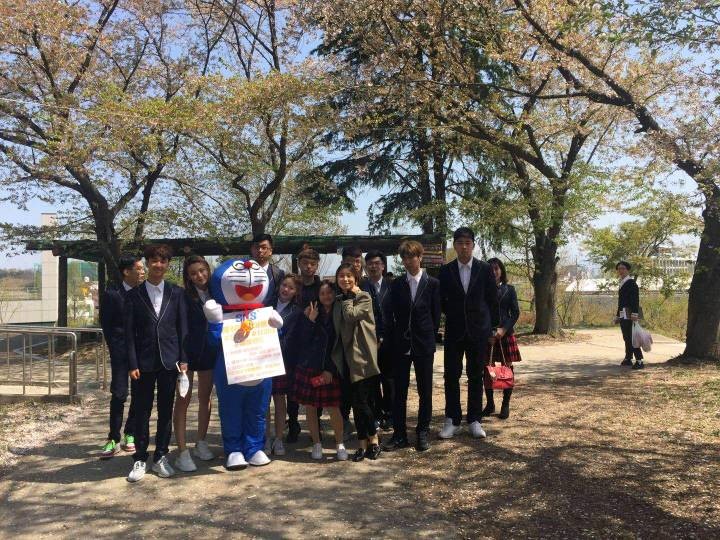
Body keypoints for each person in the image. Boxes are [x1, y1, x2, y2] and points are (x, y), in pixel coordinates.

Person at [124, 244, 188, 482]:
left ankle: (161, 455)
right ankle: (140, 458)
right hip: (143, 362)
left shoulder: (176, 293)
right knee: (142, 411)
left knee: (165, 411)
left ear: (168, 264)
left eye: (163, 261)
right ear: (147, 263)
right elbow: (128, 334)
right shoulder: (133, 295)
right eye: (154, 261)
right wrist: (132, 363)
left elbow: (183, 328)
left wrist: (184, 359)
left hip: (170, 361)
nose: (158, 265)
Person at [438, 227, 497, 440]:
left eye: (467, 243)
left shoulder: (484, 269)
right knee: (451, 376)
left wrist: (493, 327)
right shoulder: (446, 271)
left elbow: (492, 300)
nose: (464, 247)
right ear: (454, 245)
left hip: (478, 331)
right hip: (454, 331)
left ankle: (474, 420)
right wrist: (452, 317)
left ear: (473, 245)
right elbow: (441, 301)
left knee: (475, 375)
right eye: (460, 243)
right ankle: (452, 420)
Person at [382, 241, 441, 452]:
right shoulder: (397, 284)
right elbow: (390, 313)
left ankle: (422, 431)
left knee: (425, 390)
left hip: (424, 343)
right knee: (399, 391)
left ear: (420, 257)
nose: (408, 261)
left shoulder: (432, 283)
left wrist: (428, 335)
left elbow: (435, 315)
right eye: (404, 258)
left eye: (412, 257)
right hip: (401, 344)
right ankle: (399, 434)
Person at [290, 280, 348, 461]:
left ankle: (340, 443)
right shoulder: (312, 311)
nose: (326, 296)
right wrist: (310, 320)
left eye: (329, 293)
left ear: (334, 294)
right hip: (310, 366)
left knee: (333, 407)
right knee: (310, 407)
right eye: (322, 293)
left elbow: (339, 344)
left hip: (330, 367)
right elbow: (303, 340)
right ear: (318, 296)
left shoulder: (339, 312)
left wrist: (330, 369)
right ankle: (316, 443)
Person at [332, 263, 382, 461]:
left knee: (362, 402)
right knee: (355, 403)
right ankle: (362, 444)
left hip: (361, 357)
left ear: (356, 278)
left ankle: (374, 440)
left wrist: (348, 298)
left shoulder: (363, 297)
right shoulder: (338, 299)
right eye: (341, 276)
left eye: (349, 276)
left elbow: (351, 316)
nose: (345, 279)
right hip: (344, 358)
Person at [173, 255, 218, 473]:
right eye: (193, 273)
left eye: (202, 270)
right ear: (188, 277)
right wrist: (182, 358)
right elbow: (181, 327)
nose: (199, 276)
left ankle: (201, 441)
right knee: (183, 399)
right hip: (186, 355)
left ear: (208, 269)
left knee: (205, 397)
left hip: (209, 352)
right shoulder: (183, 296)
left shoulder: (217, 292)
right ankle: (182, 451)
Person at [99, 255, 145, 459]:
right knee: (119, 394)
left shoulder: (144, 293)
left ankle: (130, 433)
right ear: (126, 272)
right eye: (139, 269)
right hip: (120, 354)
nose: (142, 272)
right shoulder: (112, 294)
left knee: (139, 394)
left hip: (141, 353)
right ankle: (113, 438)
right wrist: (116, 350)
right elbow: (107, 326)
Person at [266, 273, 303, 455]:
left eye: (291, 287)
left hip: (282, 362)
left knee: (280, 400)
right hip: (262, 360)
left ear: (296, 292)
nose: (286, 289)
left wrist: (278, 336)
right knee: (263, 401)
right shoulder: (266, 305)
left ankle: (279, 438)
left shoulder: (297, 311)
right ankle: (266, 437)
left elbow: (294, 340)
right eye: (284, 285)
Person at [360, 250, 394, 430]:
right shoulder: (360, 286)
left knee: (389, 381)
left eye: (377, 263)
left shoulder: (393, 285)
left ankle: (390, 414)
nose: (373, 266)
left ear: (383, 266)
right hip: (367, 342)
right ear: (366, 266)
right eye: (370, 263)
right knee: (372, 382)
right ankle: (377, 414)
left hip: (389, 341)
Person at [485, 258, 521, 420]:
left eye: (496, 269)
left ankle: (505, 404)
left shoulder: (510, 289)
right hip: (488, 335)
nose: (494, 272)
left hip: (506, 333)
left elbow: (515, 313)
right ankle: (490, 404)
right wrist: (488, 332)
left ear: (501, 270)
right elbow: (480, 312)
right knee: (487, 369)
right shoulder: (483, 289)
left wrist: (503, 329)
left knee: (508, 368)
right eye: (490, 269)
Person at [615, 261, 644, 369]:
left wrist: (635, 313)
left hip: (630, 314)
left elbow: (635, 300)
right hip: (623, 314)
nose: (621, 270)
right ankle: (628, 358)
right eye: (619, 269)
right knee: (626, 337)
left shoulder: (631, 283)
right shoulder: (622, 282)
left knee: (633, 337)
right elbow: (621, 302)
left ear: (628, 270)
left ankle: (639, 361)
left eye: (623, 268)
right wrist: (618, 315)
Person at [251, 233, 285, 308]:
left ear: (270, 251)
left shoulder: (278, 274)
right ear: (252, 250)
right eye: (256, 247)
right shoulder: (242, 271)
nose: (259, 250)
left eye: (264, 247)